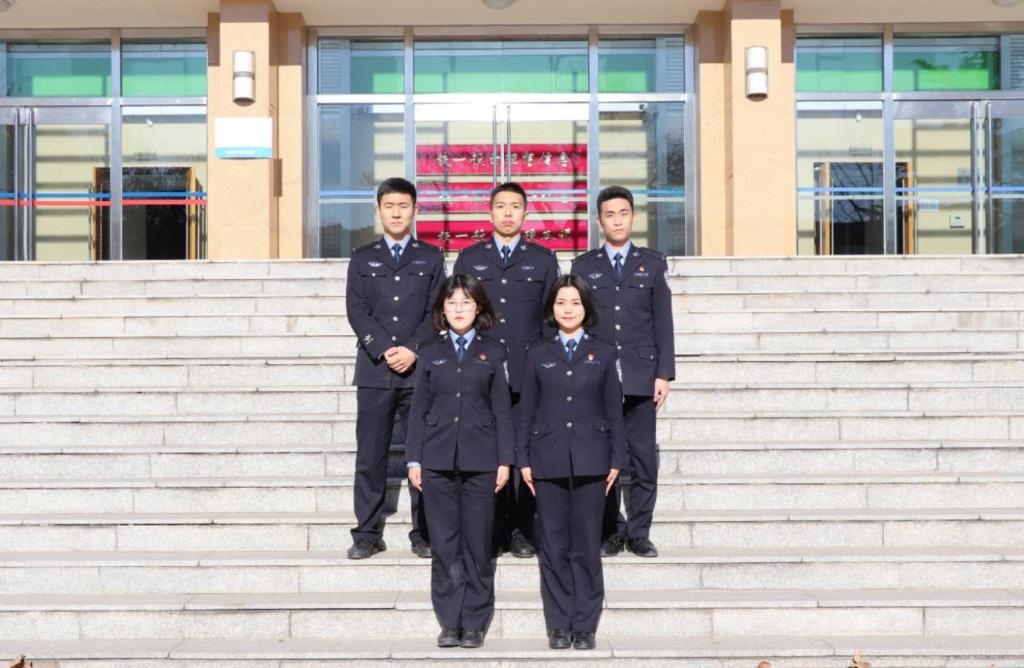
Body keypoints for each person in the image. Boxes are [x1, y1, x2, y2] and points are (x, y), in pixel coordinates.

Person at [517, 274, 626, 650]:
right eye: (561, 302)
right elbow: (526, 412)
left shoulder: (605, 353)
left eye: (575, 302)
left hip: (592, 461)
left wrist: (616, 459)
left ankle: (585, 624)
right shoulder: (537, 354)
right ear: (552, 308)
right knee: (553, 546)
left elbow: (614, 411)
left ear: (586, 308)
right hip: (546, 461)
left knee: (585, 546)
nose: (568, 309)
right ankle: (559, 624)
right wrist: (523, 460)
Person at [406, 274, 514, 649]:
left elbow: (502, 411)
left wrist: (505, 459)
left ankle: (475, 621)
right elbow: (418, 410)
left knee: (478, 544)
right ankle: (450, 621)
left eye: (466, 302)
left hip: (482, 460)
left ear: (478, 307)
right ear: (442, 309)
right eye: (452, 303)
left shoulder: (494, 352)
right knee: (445, 545)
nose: (458, 309)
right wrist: (414, 459)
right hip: (436, 460)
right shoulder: (429, 351)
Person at [453, 182, 559, 558]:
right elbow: (459, 314)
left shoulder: (543, 260)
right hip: (479, 373)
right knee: (483, 455)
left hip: (525, 374)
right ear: (490, 213)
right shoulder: (469, 259)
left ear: (526, 213)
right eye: (501, 206)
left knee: (520, 454)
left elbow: (550, 321)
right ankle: (490, 530)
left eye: (515, 206)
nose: (508, 213)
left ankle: (520, 531)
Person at [571, 185, 675, 559]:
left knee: (643, 458)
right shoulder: (584, 267)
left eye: (623, 213)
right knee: (602, 458)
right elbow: (576, 321)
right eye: (610, 215)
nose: (617, 221)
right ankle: (611, 530)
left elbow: (662, 322)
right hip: (598, 378)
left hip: (641, 376)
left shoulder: (653, 264)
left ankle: (639, 532)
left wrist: (663, 374)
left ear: (633, 217)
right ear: (599, 222)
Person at [345, 177, 446, 560]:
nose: (397, 213)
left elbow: (437, 310)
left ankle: (424, 533)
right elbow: (357, 309)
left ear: (415, 210)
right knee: (370, 455)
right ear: (379, 211)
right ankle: (367, 533)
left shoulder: (431, 258)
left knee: (423, 453)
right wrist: (386, 349)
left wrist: (413, 349)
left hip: (419, 371)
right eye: (390, 206)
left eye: (404, 206)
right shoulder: (362, 258)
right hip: (375, 371)